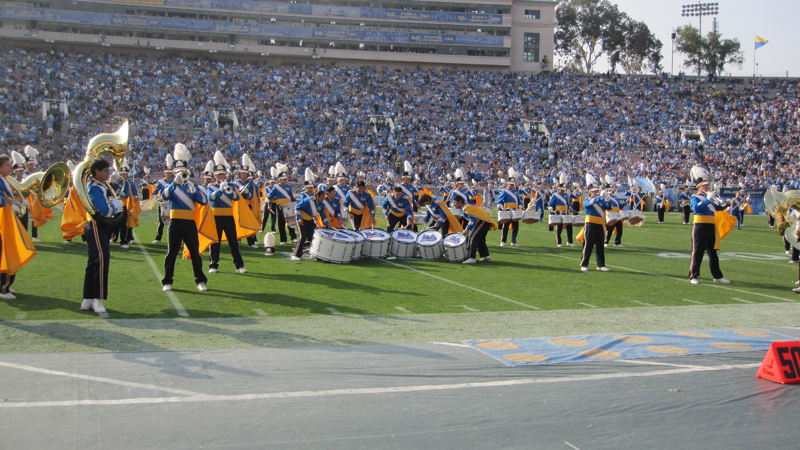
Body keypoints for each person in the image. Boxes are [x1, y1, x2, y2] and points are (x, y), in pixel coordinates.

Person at [162, 145, 210, 292]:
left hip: (189, 223)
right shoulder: (171, 186)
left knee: (195, 253)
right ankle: (167, 281)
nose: (181, 174)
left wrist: (194, 190)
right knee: (172, 252)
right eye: (178, 172)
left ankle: (200, 281)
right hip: (175, 222)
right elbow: (164, 196)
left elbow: (204, 201)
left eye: (183, 172)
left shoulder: (192, 186)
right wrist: (175, 183)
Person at [82, 158, 124, 313]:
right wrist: (114, 206)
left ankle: (87, 298)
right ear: (97, 171)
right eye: (106, 170)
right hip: (96, 226)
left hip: (96, 226)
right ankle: (97, 299)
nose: (108, 173)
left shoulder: (100, 185)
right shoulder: (94, 187)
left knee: (93, 263)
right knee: (101, 261)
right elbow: (104, 210)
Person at [207, 154, 247, 275]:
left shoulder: (232, 186)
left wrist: (227, 190)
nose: (221, 176)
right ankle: (213, 264)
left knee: (233, 241)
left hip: (229, 217)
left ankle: (239, 265)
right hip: (216, 217)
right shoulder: (211, 186)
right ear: (214, 175)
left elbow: (236, 198)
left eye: (222, 174)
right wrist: (219, 190)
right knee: (215, 241)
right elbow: (211, 197)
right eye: (218, 174)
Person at [689, 175, 730, 285]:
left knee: (713, 253)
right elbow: (696, 209)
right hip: (700, 226)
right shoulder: (695, 197)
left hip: (711, 226)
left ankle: (717, 276)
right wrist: (707, 199)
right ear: (699, 187)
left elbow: (717, 208)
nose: (707, 186)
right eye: (704, 185)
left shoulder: (710, 198)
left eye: (707, 184)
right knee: (697, 252)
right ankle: (693, 275)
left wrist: (727, 204)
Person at [580, 184, 611, 271]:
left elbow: (608, 207)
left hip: (599, 225)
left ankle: (601, 265)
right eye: (594, 191)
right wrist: (599, 197)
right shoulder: (587, 200)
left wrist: (608, 200)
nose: (596, 193)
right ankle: (584, 264)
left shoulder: (600, 201)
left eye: (597, 191)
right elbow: (588, 205)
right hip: (590, 224)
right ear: (590, 193)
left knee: (600, 245)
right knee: (588, 245)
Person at [291, 189, 327, 261]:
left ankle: (313, 253)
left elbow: (322, 215)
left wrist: (327, 223)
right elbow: (297, 208)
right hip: (302, 220)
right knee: (302, 237)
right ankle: (296, 254)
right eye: (322, 197)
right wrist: (299, 218)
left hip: (311, 221)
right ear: (317, 196)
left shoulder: (321, 204)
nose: (324, 198)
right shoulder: (308, 200)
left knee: (312, 238)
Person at [461, 200, 497, 264]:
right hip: (486, 219)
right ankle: (486, 255)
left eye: (454, 202)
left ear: (460, 202)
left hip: (483, 220)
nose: (453, 204)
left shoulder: (465, 208)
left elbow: (473, 219)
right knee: (480, 239)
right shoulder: (466, 206)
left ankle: (471, 258)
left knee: (473, 238)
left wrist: (467, 229)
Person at [269, 168, 299, 245]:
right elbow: (270, 196)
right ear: (280, 180)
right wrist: (269, 205)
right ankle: (283, 240)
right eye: (283, 179)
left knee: (291, 222)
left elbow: (292, 198)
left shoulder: (289, 187)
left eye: (285, 179)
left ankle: (293, 237)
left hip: (289, 206)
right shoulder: (276, 187)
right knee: (281, 223)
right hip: (280, 207)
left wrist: (296, 204)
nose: (285, 180)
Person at [234, 158, 258, 248]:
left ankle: (251, 242)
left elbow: (252, 197)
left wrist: (247, 193)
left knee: (248, 223)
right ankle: (237, 239)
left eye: (245, 173)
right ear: (239, 174)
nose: (243, 175)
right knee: (237, 222)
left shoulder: (250, 184)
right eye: (242, 173)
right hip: (238, 204)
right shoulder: (235, 183)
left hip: (247, 204)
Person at [151, 157, 174, 244]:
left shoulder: (175, 181)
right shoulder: (161, 182)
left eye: (170, 173)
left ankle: (172, 239)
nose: (169, 174)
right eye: (167, 173)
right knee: (161, 221)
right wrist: (157, 198)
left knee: (173, 222)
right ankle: (158, 238)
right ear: (164, 173)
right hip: (163, 203)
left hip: (172, 203)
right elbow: (154, 193)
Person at [497, 177, 521, 247]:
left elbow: (518, 203)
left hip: (515, 211)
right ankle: (503, 241)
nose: (512, 185)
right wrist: (501, 207)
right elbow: (499, 202)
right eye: (511, 184)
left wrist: (523, 207)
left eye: (513, 184)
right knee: (505, 226)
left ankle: (513, 241)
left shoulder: (516, 192)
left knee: (516, 226)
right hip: (507, 210)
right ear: (508, 184)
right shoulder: (505, 191)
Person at [548, 183, 574, 247]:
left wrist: (571, 208)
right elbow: (550, 205)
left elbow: (567, 204)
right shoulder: (555, 195)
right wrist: (551, 209)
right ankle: (559, 242)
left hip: (566, 213)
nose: (563, 190)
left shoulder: (566, 195)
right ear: (559, 189)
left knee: (569, 227)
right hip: (558, 213)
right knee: (559, 228)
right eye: (561, 189)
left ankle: (569, 242)